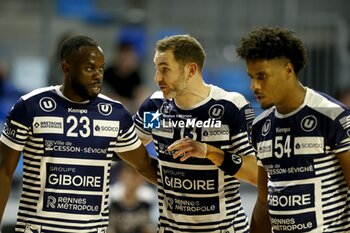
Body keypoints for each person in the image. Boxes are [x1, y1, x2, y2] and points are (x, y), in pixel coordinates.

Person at [0, 35, 157, 232]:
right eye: (90, 68)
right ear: (66, 68)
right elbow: (4, 171)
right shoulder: (29, 107)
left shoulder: (116, 114)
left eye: (101, 68)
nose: (98, 75)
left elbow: (143, 165)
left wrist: (187, 180)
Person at [133, 34, 258, 233]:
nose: (157, 78)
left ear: (190, 70)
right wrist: (159, 174)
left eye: (165, 70)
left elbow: (256, 174)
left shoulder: (230, 106)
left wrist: (208, 152)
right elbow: (130, 148)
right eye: (157, 69)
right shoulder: (156, 107)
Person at [236, 27, 350, 232]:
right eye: (251, 77)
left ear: (288, 69)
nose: (254, 86)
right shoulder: (260, 126)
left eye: (261, 76)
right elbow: (263, 203)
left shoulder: (332, 115)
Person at [108, 162, 157, 233]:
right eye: (129, 175)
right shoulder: (112, 195)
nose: (132, 180)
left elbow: (150, 227)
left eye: (136, 176)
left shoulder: (149, 196)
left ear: (142, 179)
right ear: (122, 176)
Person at [103, 41, 148, 114]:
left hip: (130, 107)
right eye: (124, 57)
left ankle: (151, 124)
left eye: (129, 57)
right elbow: (107, 96)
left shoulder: (135, 74)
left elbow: (140, 93)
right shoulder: (107, 73)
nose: (127, 61)